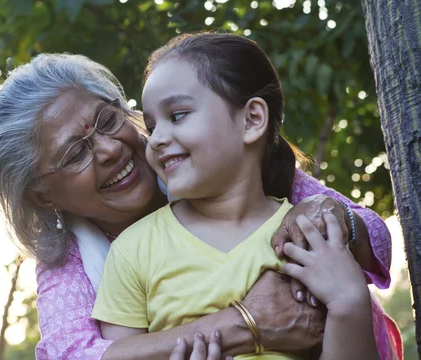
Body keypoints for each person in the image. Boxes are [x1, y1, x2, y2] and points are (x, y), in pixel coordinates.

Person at [0, 52, 399, 359]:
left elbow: (376, 239)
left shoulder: (218, 167)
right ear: (42, 196)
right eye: (75, 154)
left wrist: (333, 216)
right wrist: (247, 323)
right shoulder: (74, 259)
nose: (108, 149)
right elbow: (74, 355)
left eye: (108, 120)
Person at [91, 32, 382, 359]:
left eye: (177, 115)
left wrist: (349, 303)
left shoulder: (305, 238)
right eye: (151, 126)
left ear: (252, 120)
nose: (156, 139)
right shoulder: (134, 250)